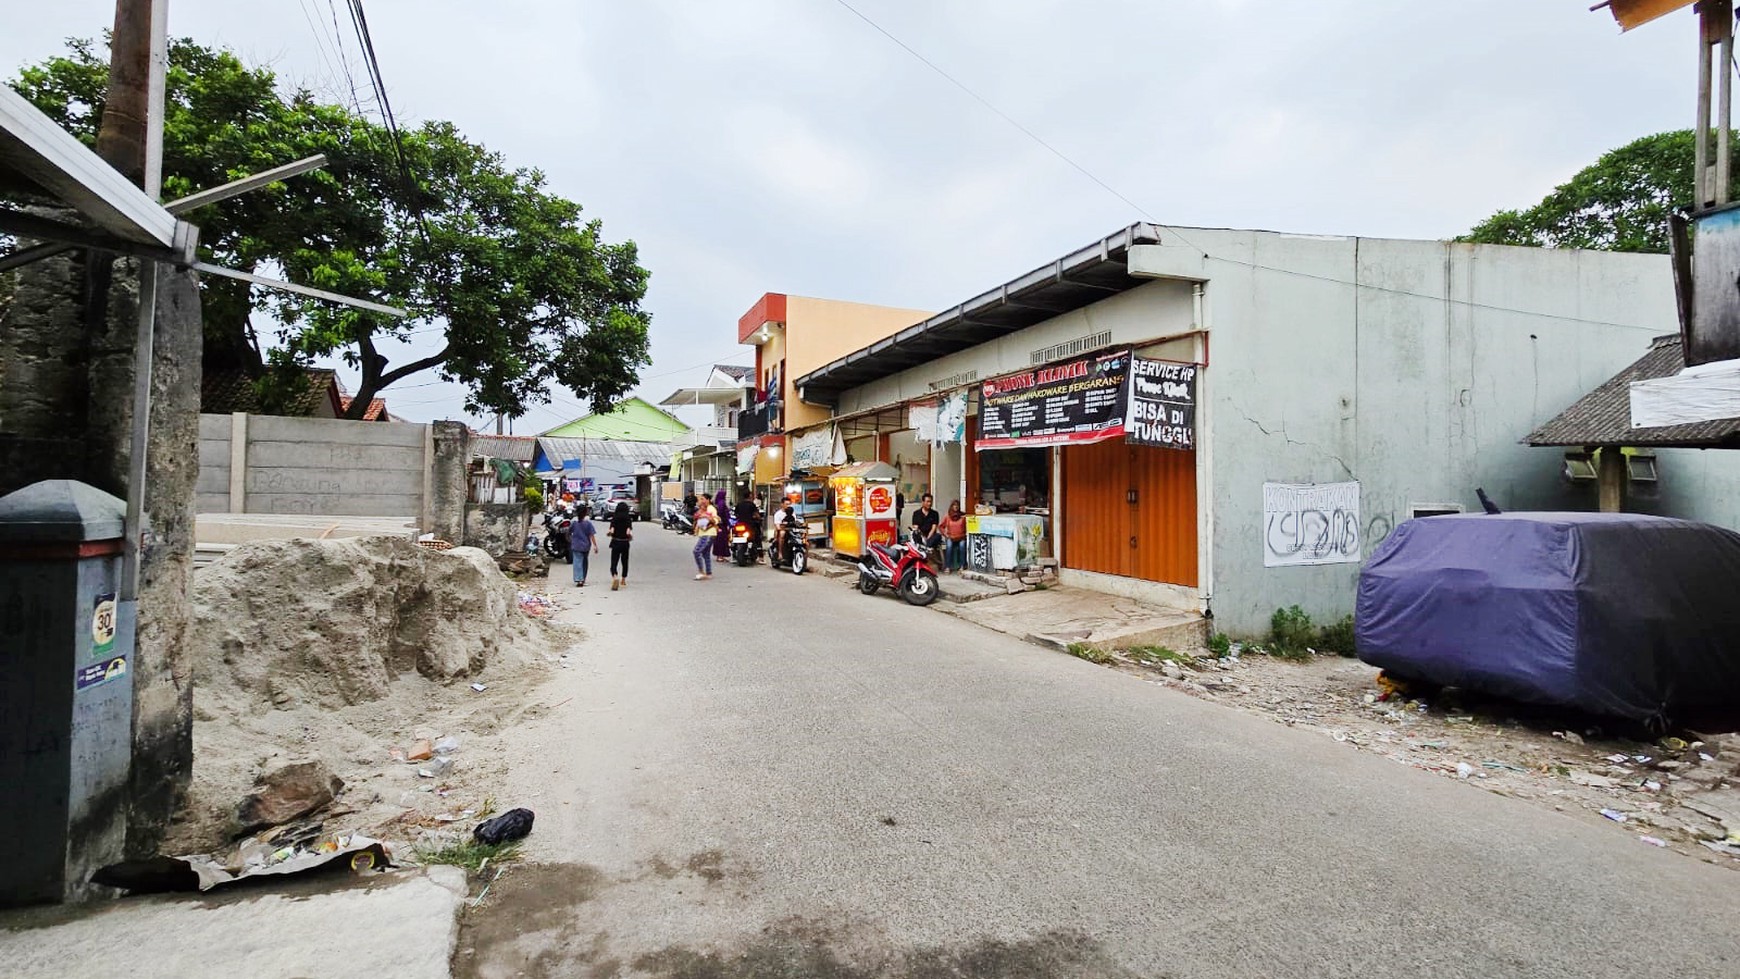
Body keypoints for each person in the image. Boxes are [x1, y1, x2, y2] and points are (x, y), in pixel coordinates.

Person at [568, 505, 598, 587]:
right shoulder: (588, 523)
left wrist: (570, 540)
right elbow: (591, 535)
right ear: (586, 513)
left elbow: (568, 532)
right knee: (584, 562)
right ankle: (583, 579)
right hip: (586, 546)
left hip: (576, 545)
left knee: (577, 562)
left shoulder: (574, 523)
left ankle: (579, 579)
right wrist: (595, 546)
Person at [607, 502, 634, 590]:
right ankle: (623, 579)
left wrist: (609, 533)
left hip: (615, 542)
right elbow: (628, 532)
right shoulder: (628, 519)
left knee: (614, 561)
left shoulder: (614, 518)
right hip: (625, 543)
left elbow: (612, 531)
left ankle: (615, 576)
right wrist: (629, 537)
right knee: (624, 561)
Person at [692, 496, 717, 579]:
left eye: (702, 499)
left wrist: (707, 517)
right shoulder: (700, 510)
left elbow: (715, 520)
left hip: (708, 533)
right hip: (705, 533)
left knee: (697, 551)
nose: (700, 501)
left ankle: (701, 571)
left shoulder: (710, 509)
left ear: (707, 500)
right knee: (705, 554)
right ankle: (708, 573)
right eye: (700, 499)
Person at [940, 500, 968, 573]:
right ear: (951, 506)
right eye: (954, 505)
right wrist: (945, 535)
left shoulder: (962, 517)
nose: (956, 507)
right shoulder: (948, 516)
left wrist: (965, 534)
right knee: (949, 546)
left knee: (962, 546)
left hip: (961, 537)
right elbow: (941, 526)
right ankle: (948, 567)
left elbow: (967, 527)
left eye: (957, 505)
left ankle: (962, 566)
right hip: (951, 537)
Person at [711, 489, 731, 561]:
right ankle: (720, 556)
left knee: (718, 540)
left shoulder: (717, 503)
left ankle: (719, 556)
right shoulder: (722, 503)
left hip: (718, 524)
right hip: (722, 524)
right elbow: (723, 514)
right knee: (722, 540)